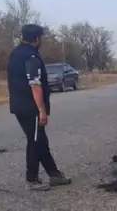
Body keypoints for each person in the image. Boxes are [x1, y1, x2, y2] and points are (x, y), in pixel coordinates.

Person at [7, 24, 71, 191]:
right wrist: (41, 109)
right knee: (35, 141)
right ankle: (32, 179)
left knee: (40, 140)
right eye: (40, 37)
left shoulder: (16, 54)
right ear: (36, 38)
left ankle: (54, 174)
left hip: (20, 104)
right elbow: (35, 85)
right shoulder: (31, 56)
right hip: (30, 107)